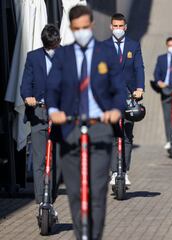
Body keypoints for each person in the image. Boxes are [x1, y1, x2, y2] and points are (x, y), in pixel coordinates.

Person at [46, 5, 127, 239]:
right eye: (76, 28)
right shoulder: (63, 55)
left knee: (96, 190)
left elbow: (118, 89)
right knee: (74, 191)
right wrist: (53, 110)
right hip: (70, 128)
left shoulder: (106, 53)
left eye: (85, 27)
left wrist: (115, 109)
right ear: (72, 29)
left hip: (99, 127)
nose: (81, 31)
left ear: (91, 25)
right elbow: (52, 88)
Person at [20, 24, 61, 213]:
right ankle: (40, 199)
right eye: (49, 47)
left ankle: (51, 195)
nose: (52, 50)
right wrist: (27, 97)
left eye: (55, 46)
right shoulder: (33, 57)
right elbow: (25, 83)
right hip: (39, 112)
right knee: (39, 158)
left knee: (55, 158)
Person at [103, 13, 145, 186]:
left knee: (127, 135)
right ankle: (114, 172)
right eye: (116, 26)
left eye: (121, 26)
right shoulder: (103, 46)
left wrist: (140, 88)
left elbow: (139, 68)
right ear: (111, 27)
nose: (118, 29)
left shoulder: (133, 45)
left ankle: (124, 170)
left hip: (129, 97)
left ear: (125, 27)